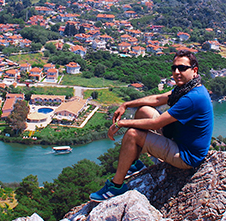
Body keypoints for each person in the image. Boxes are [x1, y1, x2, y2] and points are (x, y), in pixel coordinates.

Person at [90, 49, 214, 202]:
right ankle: (133, 164)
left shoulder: (193, 97)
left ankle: (116, 186)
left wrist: (121, 123)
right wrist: (126, 104)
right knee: (144, 111)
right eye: (174, 68)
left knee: (132, 134)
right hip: (177, 137)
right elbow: (156, 99)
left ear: (194, 71)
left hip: (186, 155)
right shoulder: (187, 88)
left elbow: (157, 123)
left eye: (182, 68)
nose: (177, 72)